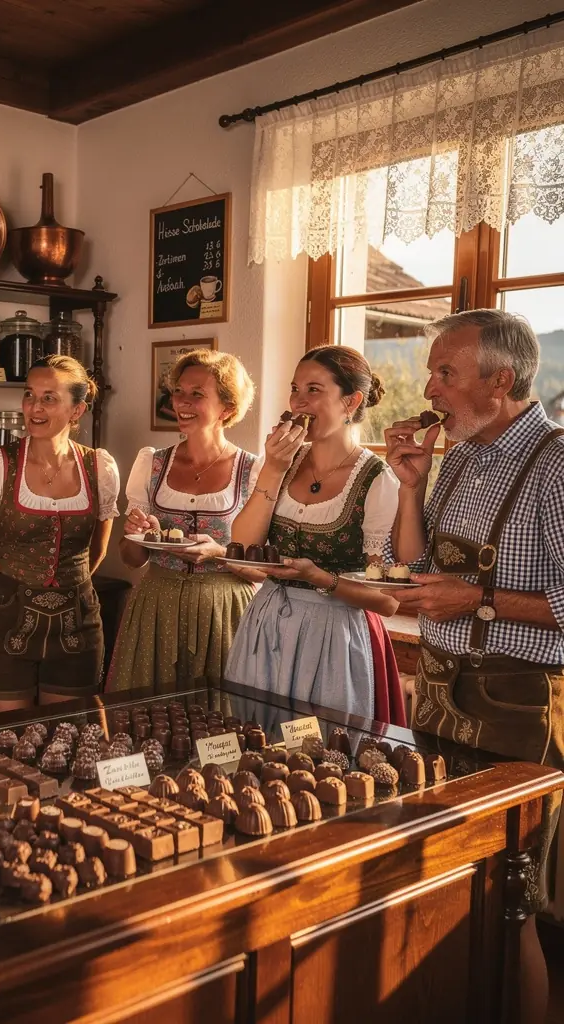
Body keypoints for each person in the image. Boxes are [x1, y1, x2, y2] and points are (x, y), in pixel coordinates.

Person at [384, 309, 564, 1024]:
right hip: (439, 691)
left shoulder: (555, 462)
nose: (429, 387)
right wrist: (407, 484)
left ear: (501, 380)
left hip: (517, 703)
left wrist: (480, 600)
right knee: (444, 881)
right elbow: (414, 564)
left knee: (506, 895)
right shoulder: (458, 456)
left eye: (444, 372)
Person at [224, 346, 403, 720]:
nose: (298, 402)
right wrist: (273, 468)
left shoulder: (377, 479)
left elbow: (388, 601)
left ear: (350, 401)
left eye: (314, 390)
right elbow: (244, 546)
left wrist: (320, 578)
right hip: (267, 624)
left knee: (321, 760)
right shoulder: (279, 464)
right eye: (295, 389)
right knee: (256, 745)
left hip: (336, 635)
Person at [0, 355, 120, 712]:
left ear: (77, 410)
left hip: (77, 625)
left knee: (69, 739)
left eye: (50, 397)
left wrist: (69, 588)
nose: (34, 407)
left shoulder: (100, 468)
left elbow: (97, 552)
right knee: (6, 743)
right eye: (30, 395)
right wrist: (3, 601)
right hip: (6, 625)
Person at [107, 349, 258, 694]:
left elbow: (262, 569)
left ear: (228, 408)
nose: (182, 402)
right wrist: (135, 535)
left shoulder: (253, 471)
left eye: (197, 394)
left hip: (225, 608)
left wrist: (219, 553)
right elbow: (131, 560)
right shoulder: (151, 463)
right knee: (151, 716)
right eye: (178, 391)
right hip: (156, 604)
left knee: (222, 719)